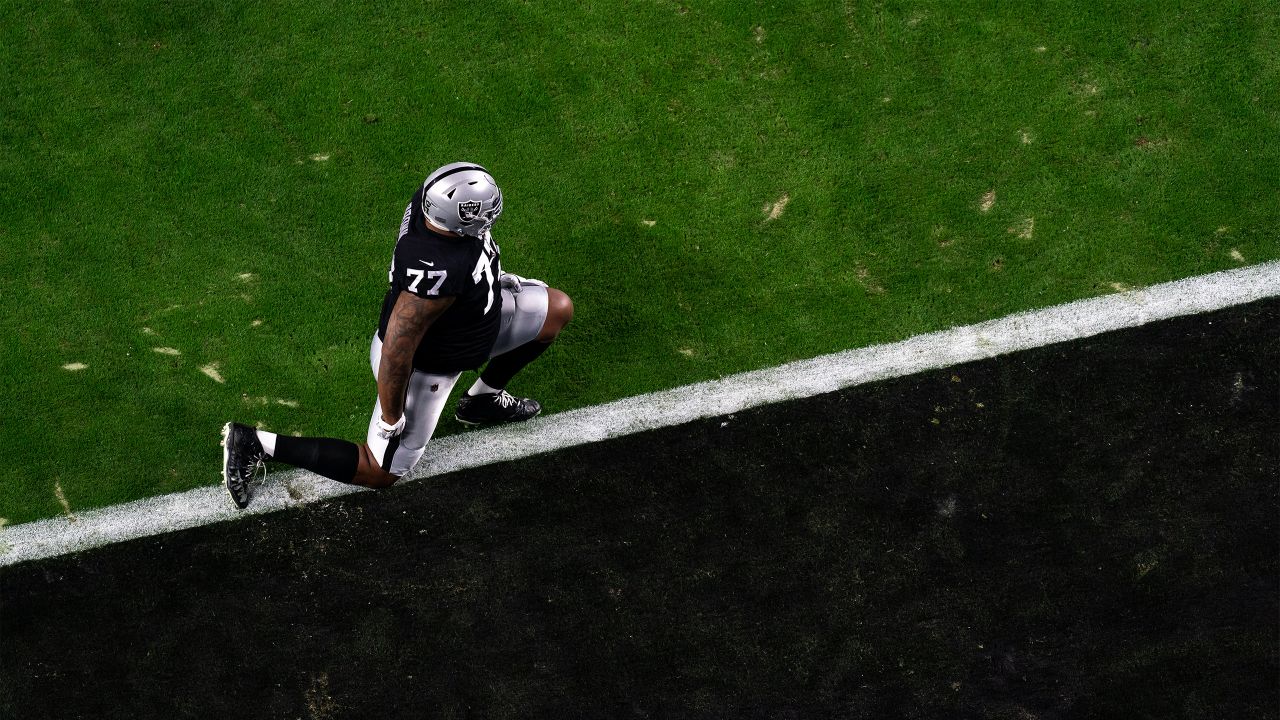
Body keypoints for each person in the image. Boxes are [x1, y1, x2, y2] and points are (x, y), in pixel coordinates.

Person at [220, 162, 573, 508]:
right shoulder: (433, 275)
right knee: (379, 472)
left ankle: (482, 402)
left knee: (554, 310)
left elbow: (465, 254)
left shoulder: (433, 208)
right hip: (429, 367)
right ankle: (256, 443)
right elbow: (397, 348)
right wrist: (392, 417)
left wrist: (489, 282)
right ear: (459, 217)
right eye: (481, 208)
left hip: (475, 324)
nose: (492, 211)